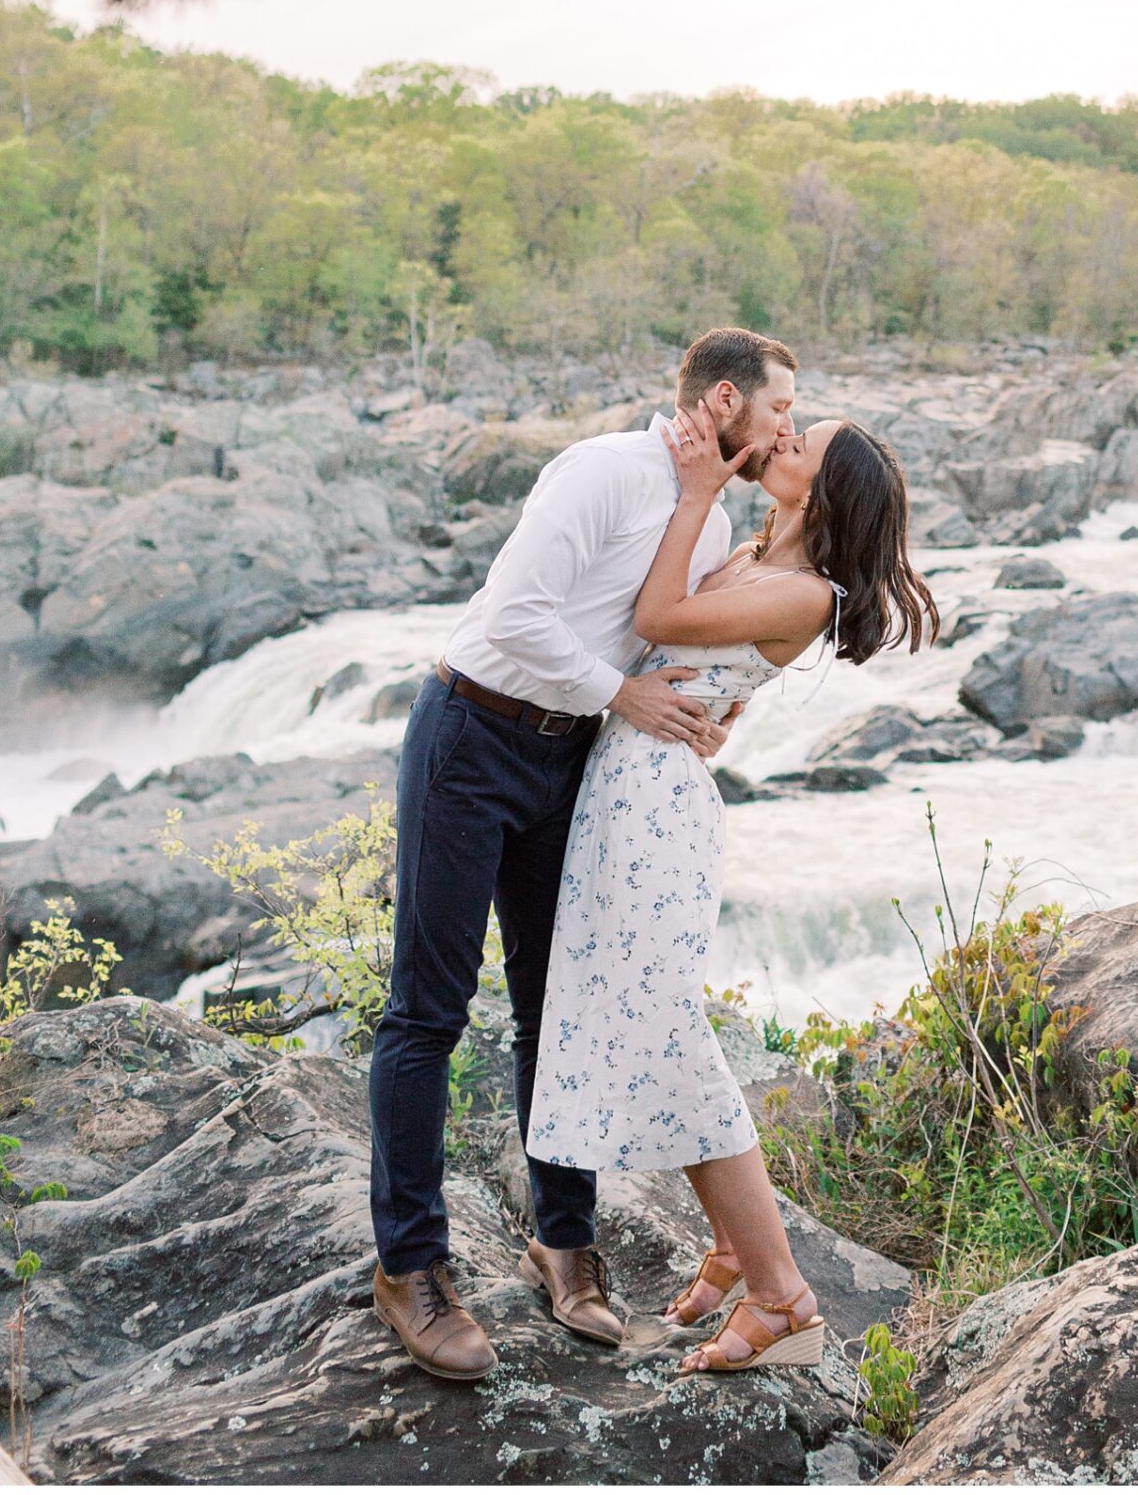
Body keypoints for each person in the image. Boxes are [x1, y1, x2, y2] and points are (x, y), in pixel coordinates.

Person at [368, 327, 798, 1383]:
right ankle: (409, 1267)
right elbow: (512, 613)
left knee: (552, 1002)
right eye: (783, 408)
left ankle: (563, 1243)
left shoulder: (710, 520)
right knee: (427, 1005)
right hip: (471, 733)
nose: (788, 426)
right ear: (728, 399)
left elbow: (664, 641)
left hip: (575, 762)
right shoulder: (605, 470)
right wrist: (625, 692)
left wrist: (702, 708)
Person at [527, 400, 938, 1376]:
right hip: (620, 781)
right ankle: (728, 1245)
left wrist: (701, 488)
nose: (786, 439)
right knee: (627, 1017)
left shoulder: (806, 592)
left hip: (657, 805)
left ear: (826, 491)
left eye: (807, 444)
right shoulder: (757, 556)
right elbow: (671, 643)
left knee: (668, 1026)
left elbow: (658, 618)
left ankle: (781, 1294)